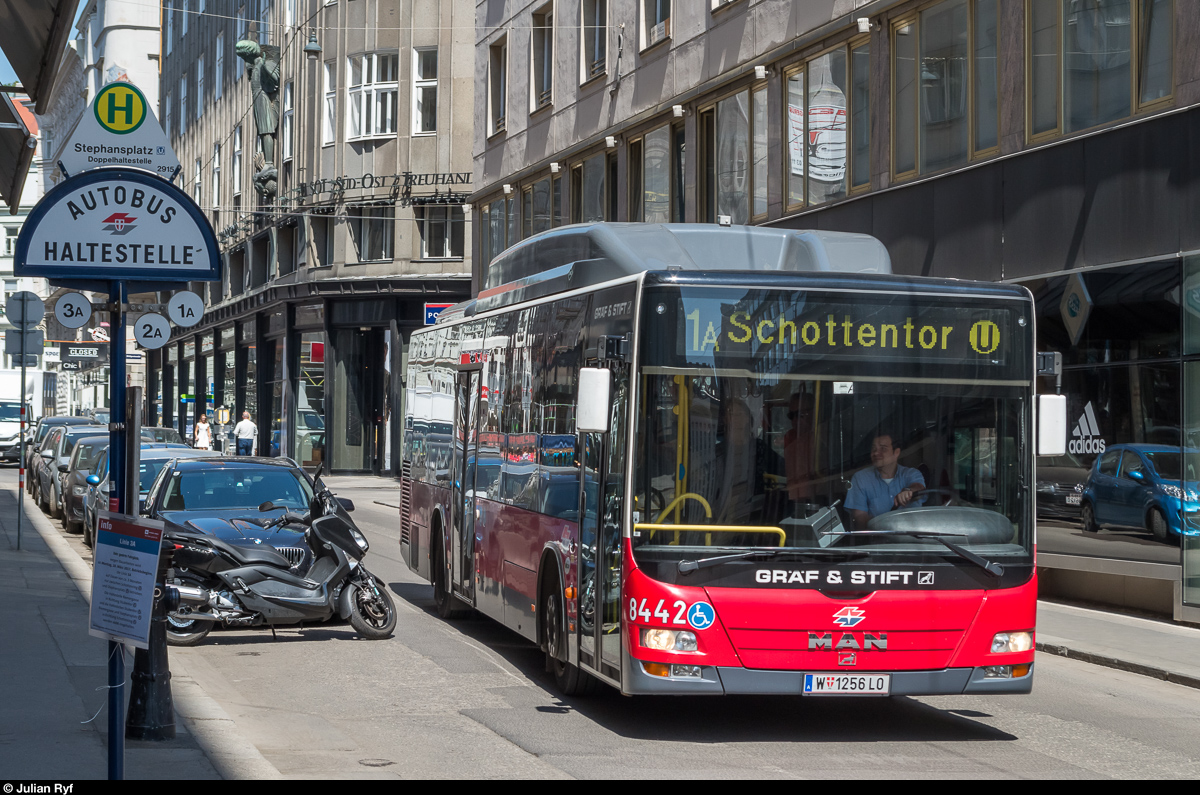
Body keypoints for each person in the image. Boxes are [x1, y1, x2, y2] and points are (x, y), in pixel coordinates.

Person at [845, 432, 926, 529]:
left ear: (896, 453)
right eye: (873, 449)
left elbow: (919, 488)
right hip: (878, 540)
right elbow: (860, 518)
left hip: (913, 540)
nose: (876, 453)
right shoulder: (860, 478)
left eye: (883, 449)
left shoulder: (911, 473)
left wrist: (909, 491)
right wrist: (885, 528)